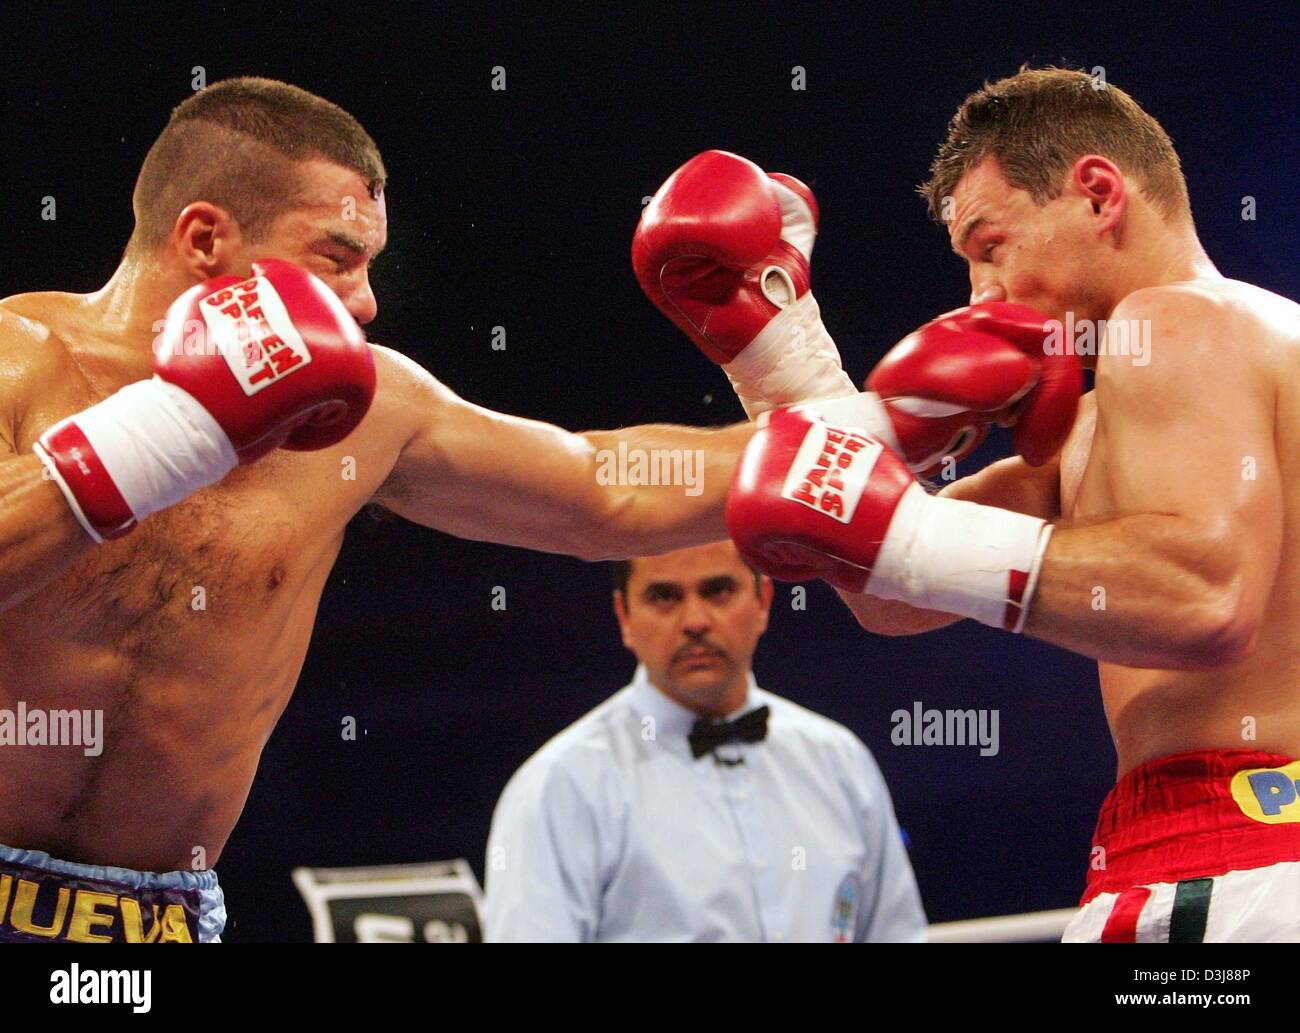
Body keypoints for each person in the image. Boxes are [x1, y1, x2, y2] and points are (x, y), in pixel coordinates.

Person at [0, 76, 761, 943]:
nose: (364, 303)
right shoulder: (19, 361)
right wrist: (179, 425)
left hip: (152, 924)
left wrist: (861, 423)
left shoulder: (366, 411)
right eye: (337, 257)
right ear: (206, 236)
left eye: (371, 265)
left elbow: (603, 488)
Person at [650, 68, 1300, 943]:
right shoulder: (1119, 410)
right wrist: (777, 356)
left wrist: (902, 525)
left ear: (1099, 194)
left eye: (990, 246)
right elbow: (894, 586)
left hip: (1240, 853)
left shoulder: (1182, 323)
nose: (977, 295)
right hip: (1214, 850)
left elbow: (1204, 599)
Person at [484, 540, 926, 942]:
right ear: (625, 618)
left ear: (763, 602)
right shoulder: (558, 788)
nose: (695, 621)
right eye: (664, 596)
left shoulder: (839, 761)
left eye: (718, 591)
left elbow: (896, 934)